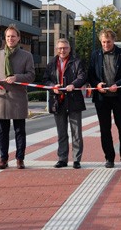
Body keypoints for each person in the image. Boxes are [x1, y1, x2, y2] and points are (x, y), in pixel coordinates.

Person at [0, 24, 35, 170]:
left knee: (20, 131)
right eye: (8, 36)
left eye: (13, 36)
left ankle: (20, 158)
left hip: (18, 98)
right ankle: (3, 159)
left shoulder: (27, 56)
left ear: (18, 38)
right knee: (2, 132)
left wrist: (17, 77)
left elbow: (31, 75)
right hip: (2, 98)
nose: (10, 39)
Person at [88, 28, 121, 168]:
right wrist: (97, 84)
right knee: (104, 129)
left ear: (114, 40)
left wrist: (118, 85)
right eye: (103, 42)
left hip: (119, 97)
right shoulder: (95, 55)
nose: (106, 44)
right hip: (102, 98)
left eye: (108, 42)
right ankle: (109, 158)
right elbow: (90, 74)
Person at [43, 38, 87, 169]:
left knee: (76, 132)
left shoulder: (77, 62)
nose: (62, 50)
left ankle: (76, 159)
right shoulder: (51, 63)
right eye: (60, 48)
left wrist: (73, 85)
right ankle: (62, 158)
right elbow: (45, 79)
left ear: (69, 49)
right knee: (61, 132)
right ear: (56, 49)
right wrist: (52, 86)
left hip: (74, 100)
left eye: (65, 48)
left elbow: (82, 76)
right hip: (58, 101)